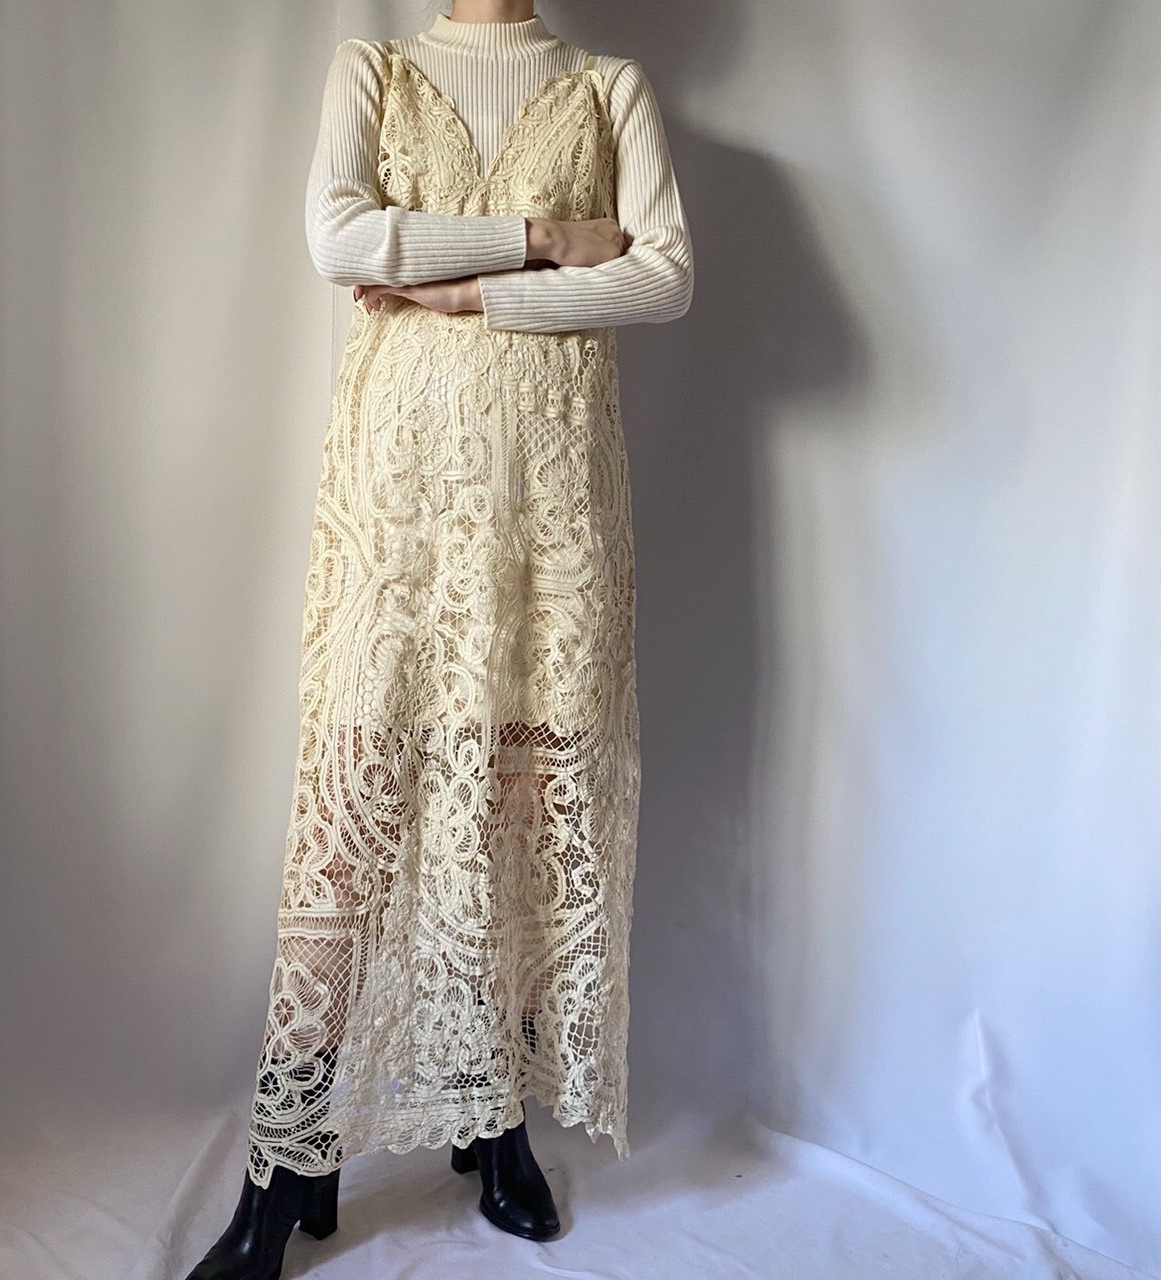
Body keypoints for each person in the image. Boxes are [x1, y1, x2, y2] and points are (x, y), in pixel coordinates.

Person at [187, 3, 692, 1276]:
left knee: (518, 800)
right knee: (351, 808)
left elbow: (662, 274)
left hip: (552, 504)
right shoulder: (373, 70)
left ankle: (493, 1114)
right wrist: (541, 241)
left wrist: (464, 289)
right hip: (401, 498)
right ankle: (288, 1157)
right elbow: (338, 235)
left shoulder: (608, 88)